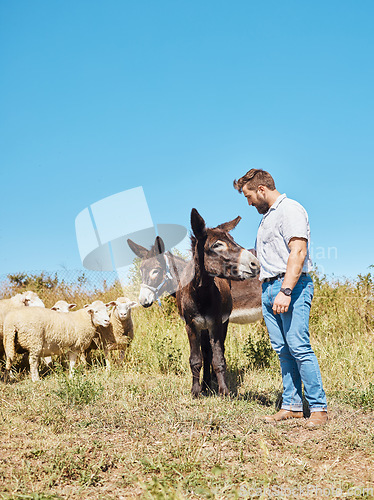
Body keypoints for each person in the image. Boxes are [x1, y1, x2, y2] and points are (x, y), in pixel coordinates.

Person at [233, 168, 327, 428]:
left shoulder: (290, 210)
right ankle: (293, 406)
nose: (249, 202)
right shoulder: (266, 218)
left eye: (249, 196)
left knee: (298, 346)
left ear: (261, 190)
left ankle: (318, 408)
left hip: (291, 287)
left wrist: (286, 290)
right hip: (267, 288)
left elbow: (298, 251)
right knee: (284, 351)